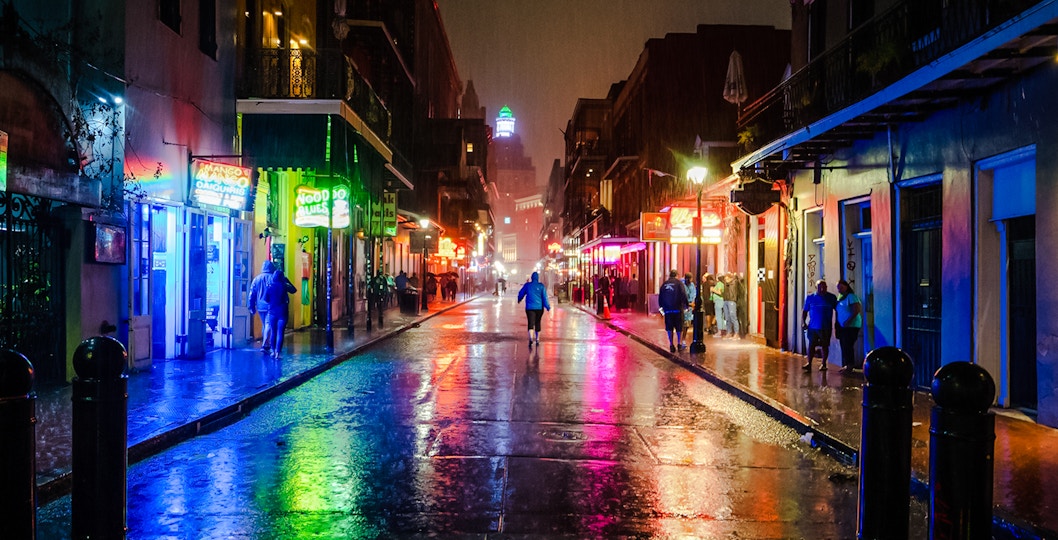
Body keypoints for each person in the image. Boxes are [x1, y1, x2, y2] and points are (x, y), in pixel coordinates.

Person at [802, 279, 838, 371]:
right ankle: (809, 363)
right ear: (816, 287)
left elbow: (838, 310)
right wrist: (803, 322)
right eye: (820, 287)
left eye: (824, 286)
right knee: (811, 345)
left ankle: (824, 364)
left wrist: (837, 322)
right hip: (813, 326)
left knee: (825, 345)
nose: (822, 289)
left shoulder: (832, 297)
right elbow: (805, 311)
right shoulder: (810, 298)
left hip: (826, 326)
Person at [264, 268, 297, 358]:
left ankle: (273, 351)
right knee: (280, 332)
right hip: (283, 312)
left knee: (273, 332)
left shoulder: (270, 286)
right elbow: (294, 290)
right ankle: (278, 353)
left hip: (272, 312)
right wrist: (287, 281)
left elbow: (265, 299)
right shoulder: (284, 286)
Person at [835, 279, 864, 372]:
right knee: (844, 345)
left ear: (846, 287)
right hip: (843, 326)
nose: (839, 289)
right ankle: (847, 364)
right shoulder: (840, 297)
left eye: (841, 287)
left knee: (848, 345)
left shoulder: (851, 296)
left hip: (851, 326)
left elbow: (856, 310)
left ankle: (850, 365)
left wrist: (848, 321)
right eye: (838, 288)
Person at [517, 271, 551, 350]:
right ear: (538, 278)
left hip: (530, 308)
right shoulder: (541, 286)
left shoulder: (527, 285)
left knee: (530, 322)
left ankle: (531, 338)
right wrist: (547, 306)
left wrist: (519, 299)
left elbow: (521, 293)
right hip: (539, 308)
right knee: (538, 322)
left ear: (532, 278)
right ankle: (538, 339)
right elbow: (544, 298)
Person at [248, 260, 276, 353]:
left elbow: (252, 294)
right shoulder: (273, 278)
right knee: (268, 324)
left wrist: (251, 306)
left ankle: (267, 342)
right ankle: (265, 344)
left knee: (265, 324)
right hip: (270, 305)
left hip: (260, 306)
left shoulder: (257, 279)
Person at [658, 269, 689, 353]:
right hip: (678, 309)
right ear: (676, 275)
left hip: (667, 310)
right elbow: (683, 294)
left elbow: (660, 296)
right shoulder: (679, 283)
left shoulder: (664, 284)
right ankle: (679, 343)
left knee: (669, 328)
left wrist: (661, 307)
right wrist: (686, 305)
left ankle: (671, 344)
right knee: (679, 327)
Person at [723, 273, 741, 339]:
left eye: (727, 278)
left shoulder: (734, 282)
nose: (725, 280)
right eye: (725, 279)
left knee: (733, 316)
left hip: (732, 300)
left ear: (730, 278)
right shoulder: (725, 283)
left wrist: (733, 275)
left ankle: (736, 333)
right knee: (727, 317)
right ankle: (729, 332)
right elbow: (720, 278)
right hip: (726, 300)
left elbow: (738, 279)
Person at [681, 272, 697, 347]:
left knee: (687, 324)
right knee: (681, 323)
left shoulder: (692, 285)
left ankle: (683, 339)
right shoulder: (681, 284)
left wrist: (692, 303)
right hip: (682, 306)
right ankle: (680, 339)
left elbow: (694, 294)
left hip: (689, 307)